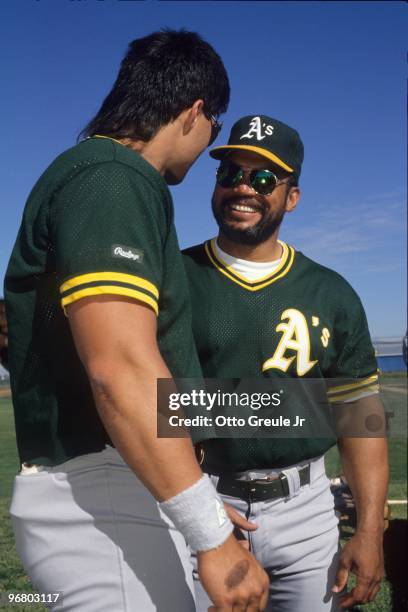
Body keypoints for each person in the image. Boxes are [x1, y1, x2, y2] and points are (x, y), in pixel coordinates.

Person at [4, 35, 269, 611]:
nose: (206, 147)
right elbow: (120, 368)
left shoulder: (103, 176)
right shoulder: (112, 175)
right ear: (195, 110)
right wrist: (209, 532)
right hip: (98, 491)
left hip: (120, 482)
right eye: (213, 128)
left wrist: (184, 494)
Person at [182, 115, 388, 611]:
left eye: (263, 178)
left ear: (291, 196)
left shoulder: (330, 291)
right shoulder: (176, 280)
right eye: (230, 173)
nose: (242, 188)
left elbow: (359, 419)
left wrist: (369, 530)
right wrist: (196, 509)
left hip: (307, 505)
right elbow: (147, 401)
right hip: (205, 502)